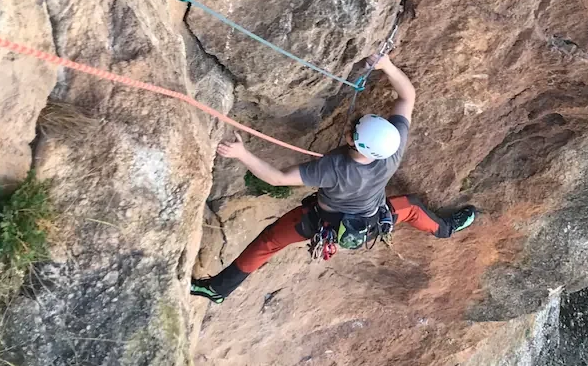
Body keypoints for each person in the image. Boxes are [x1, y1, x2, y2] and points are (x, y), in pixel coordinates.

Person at [191, 53, 476, 303]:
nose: (351, 128)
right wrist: (387, 66)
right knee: (412, 206)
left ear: (354, 142)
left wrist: (241, 153)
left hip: (320, 221)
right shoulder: (392, 148)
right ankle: (446, 229)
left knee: (268, 242)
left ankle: (218, 289)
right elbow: (407, 96)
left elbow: (278, 178)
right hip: (373, 217)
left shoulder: (333, 168)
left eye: (353, 130)